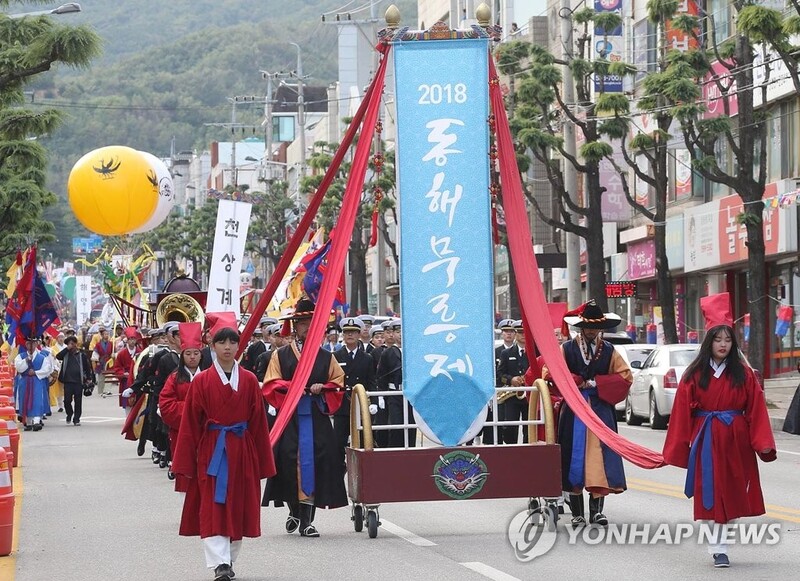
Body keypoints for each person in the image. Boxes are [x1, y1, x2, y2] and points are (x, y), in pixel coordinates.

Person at [663, 293, 776, 568]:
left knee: (734, 492)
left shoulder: (744, 374)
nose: (723, 344)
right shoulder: (694, 374)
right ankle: (718, 548)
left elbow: (756, 409)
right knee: (710, 492)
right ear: (708, 341)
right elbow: (681, 412)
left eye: (728, 339)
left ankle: (723, 541)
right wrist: (680, 446)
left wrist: (761, 441)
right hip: (706, 437)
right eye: (718, 339)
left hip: (736, 438)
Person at [172, 322, 275, 581]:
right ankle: (219, 564)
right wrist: (185, 460)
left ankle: (229, 559)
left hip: (242, 449)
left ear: (239, 345)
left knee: (238, 504)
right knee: (212, 505)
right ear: (212, 346)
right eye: (222, 343)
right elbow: (190, 424)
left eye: (232, 342)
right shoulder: (202, 381)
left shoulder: (250, 380)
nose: (227, 348)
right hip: (213, 449)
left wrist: (263, 460)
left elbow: (259, 423)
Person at [262, 297, 347, 537]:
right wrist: (292, 387)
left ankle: (308, 520)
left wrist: (324, 388)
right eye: (303, 322)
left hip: (316, 417)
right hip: (290, 417)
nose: (308, 327)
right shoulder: (281, 355)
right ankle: (294, 510)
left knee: (319, 461)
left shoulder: (326, 356)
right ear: (295, 326)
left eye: (312, 322)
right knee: (288, 464)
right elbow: (271, 384)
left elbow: (338, 382)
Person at [543, 300, 631, 528]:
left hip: (600, 409)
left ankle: (597, 511)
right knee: (574, 457)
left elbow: (625, 377)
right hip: (573, 409)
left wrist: (598, 383)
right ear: (580, 327)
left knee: (599, 458)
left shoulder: (610, 351)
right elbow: (550, 372)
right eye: (587, 327)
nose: (591, 331)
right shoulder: (567, 349)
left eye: (596, 327)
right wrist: (575, 382)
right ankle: (577, 513)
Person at [160, 322, 203, 490]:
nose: (192, 357)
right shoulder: (174, 378)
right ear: (182, 355)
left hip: (208, 433)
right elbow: (166, 405)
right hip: (182, 433)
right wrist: (193, 411)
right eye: (188, 353)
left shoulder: (210, 376)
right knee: (187, 476)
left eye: (196, 353)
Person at [333, 317, 377, 469]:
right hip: (342, 405)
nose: (350, 335)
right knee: (338, 441)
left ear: (359, 335)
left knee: (364, 439)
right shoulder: (336, 356)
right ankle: (339, 469)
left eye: (353, 332)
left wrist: (374, 402)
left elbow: (371, 381)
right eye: (346, 332)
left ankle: (365, 467)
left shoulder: (367, 358)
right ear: (343, 336)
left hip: (360, 404)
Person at [377, 319, 416, 447]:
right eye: (397, 331)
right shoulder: (387, 353)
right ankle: (395, 451)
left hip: (410, 393)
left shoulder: (412, 351)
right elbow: (381, 376)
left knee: (411, 424)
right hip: (394, 393)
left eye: (402, 331)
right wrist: (382, 396)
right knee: (396, 425)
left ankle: (411, 451)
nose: (400, 335)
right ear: (393, 334)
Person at [496, 319, 529, 444]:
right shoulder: (506, 353)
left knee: (529, 426)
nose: (523, 335)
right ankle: (511, 448)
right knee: (510, 426)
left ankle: (528, 451)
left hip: (529, 396)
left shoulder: (535, 352)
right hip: (511, 396)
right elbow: (500, 374)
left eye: (525, 332)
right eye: (520, 333)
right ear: (515, 334)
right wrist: (511, 379)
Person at [14, 337, 53, 431]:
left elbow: (47, 369)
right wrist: (27, 360)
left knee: (37, 399)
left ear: (36, 344)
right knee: (25, 399)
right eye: (28, 344)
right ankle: (28, 421)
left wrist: (36, 372)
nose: (31, 346)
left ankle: (36, 421)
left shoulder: (42, 357)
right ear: (26, 345)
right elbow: (19, 368)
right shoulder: (21, 356)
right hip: (25, 381)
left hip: (37, 381)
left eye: (33, 344)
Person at [55, 335, 94, 426]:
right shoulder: (65, 354)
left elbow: (87, 367)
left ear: (76, 344)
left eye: (73, 343)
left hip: (78, 381)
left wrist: (88, 378)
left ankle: (77, 419)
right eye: (69, 344)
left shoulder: (81, 354)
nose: (71, 345)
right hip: (68, 381)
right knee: (67, 400)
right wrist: (67, 349)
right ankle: (69, 413)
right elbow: (58, 356)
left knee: (78, 400)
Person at [113, 327, 141, 413]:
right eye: (130, 339)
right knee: (127, 403)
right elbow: (117, 367)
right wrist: (123, 374)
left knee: (138, 402)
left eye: (134, 339)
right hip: (126, 380)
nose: (132, 341)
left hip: (137, 379)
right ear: (127, 340)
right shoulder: (122, 354)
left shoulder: (140, 352)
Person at [92, 328, 114, 397]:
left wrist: (114, 355)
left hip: (109, 361)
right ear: (102, 335)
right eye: (105, 334)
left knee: (109, 376)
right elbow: (95, 353)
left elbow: (114, 352)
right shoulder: (98, 344)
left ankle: (107, 390)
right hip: (101, 361)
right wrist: (97, 361)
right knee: (101, 377)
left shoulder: (111, 344)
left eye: (107, 334)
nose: (106, 335)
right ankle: (100, 391)